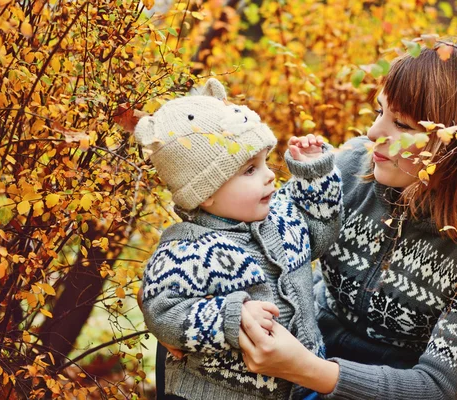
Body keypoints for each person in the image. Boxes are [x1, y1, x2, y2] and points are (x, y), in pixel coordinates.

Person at [237, 42, 457, 399]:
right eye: (379, 112)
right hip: (307, 347)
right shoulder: (352, 165)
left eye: (401, 123)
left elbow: (440, 387)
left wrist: (304, 369)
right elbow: (249, 240)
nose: (373, 133)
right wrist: (218, 310)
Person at [135, 78, 342, 400]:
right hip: (220, 392)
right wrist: (231, 315)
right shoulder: (185, 250)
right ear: (204, 194)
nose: (270, 174)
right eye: (249, 170)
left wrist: (313, 175)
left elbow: (320, 232)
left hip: (303, 382)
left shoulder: (283, 215)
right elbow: (162, 313)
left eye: (263, 162)